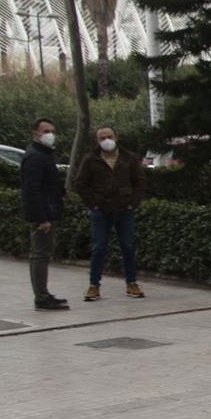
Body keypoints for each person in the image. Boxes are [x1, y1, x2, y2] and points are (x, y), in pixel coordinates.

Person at [71, 123, 146, 301]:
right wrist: (93, 203)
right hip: (101, 211)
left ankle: (131, 283)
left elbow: (140, 181)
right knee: (98, 248)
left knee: (127, 247)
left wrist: (132, 203)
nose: (107, 140)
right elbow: (80, 183)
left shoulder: (128, 158)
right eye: (102, 138)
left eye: (109, 136)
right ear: (97, 141)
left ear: (116, 137)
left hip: (124, 210)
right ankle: (93, 285)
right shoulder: (91, 159)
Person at [20, 117, 70, 311]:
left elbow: (48, 182)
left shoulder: (44, 154)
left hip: (49, 210)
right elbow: (31, 190)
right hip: (44, 214)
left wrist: (61, 191)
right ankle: (41, 297)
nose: (50, 135)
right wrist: (42, 218)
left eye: (52, 131)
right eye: (46, 131)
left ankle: (43, 294)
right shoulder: (34, 156)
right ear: (36, 134)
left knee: (42, 254)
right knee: (40, 255)